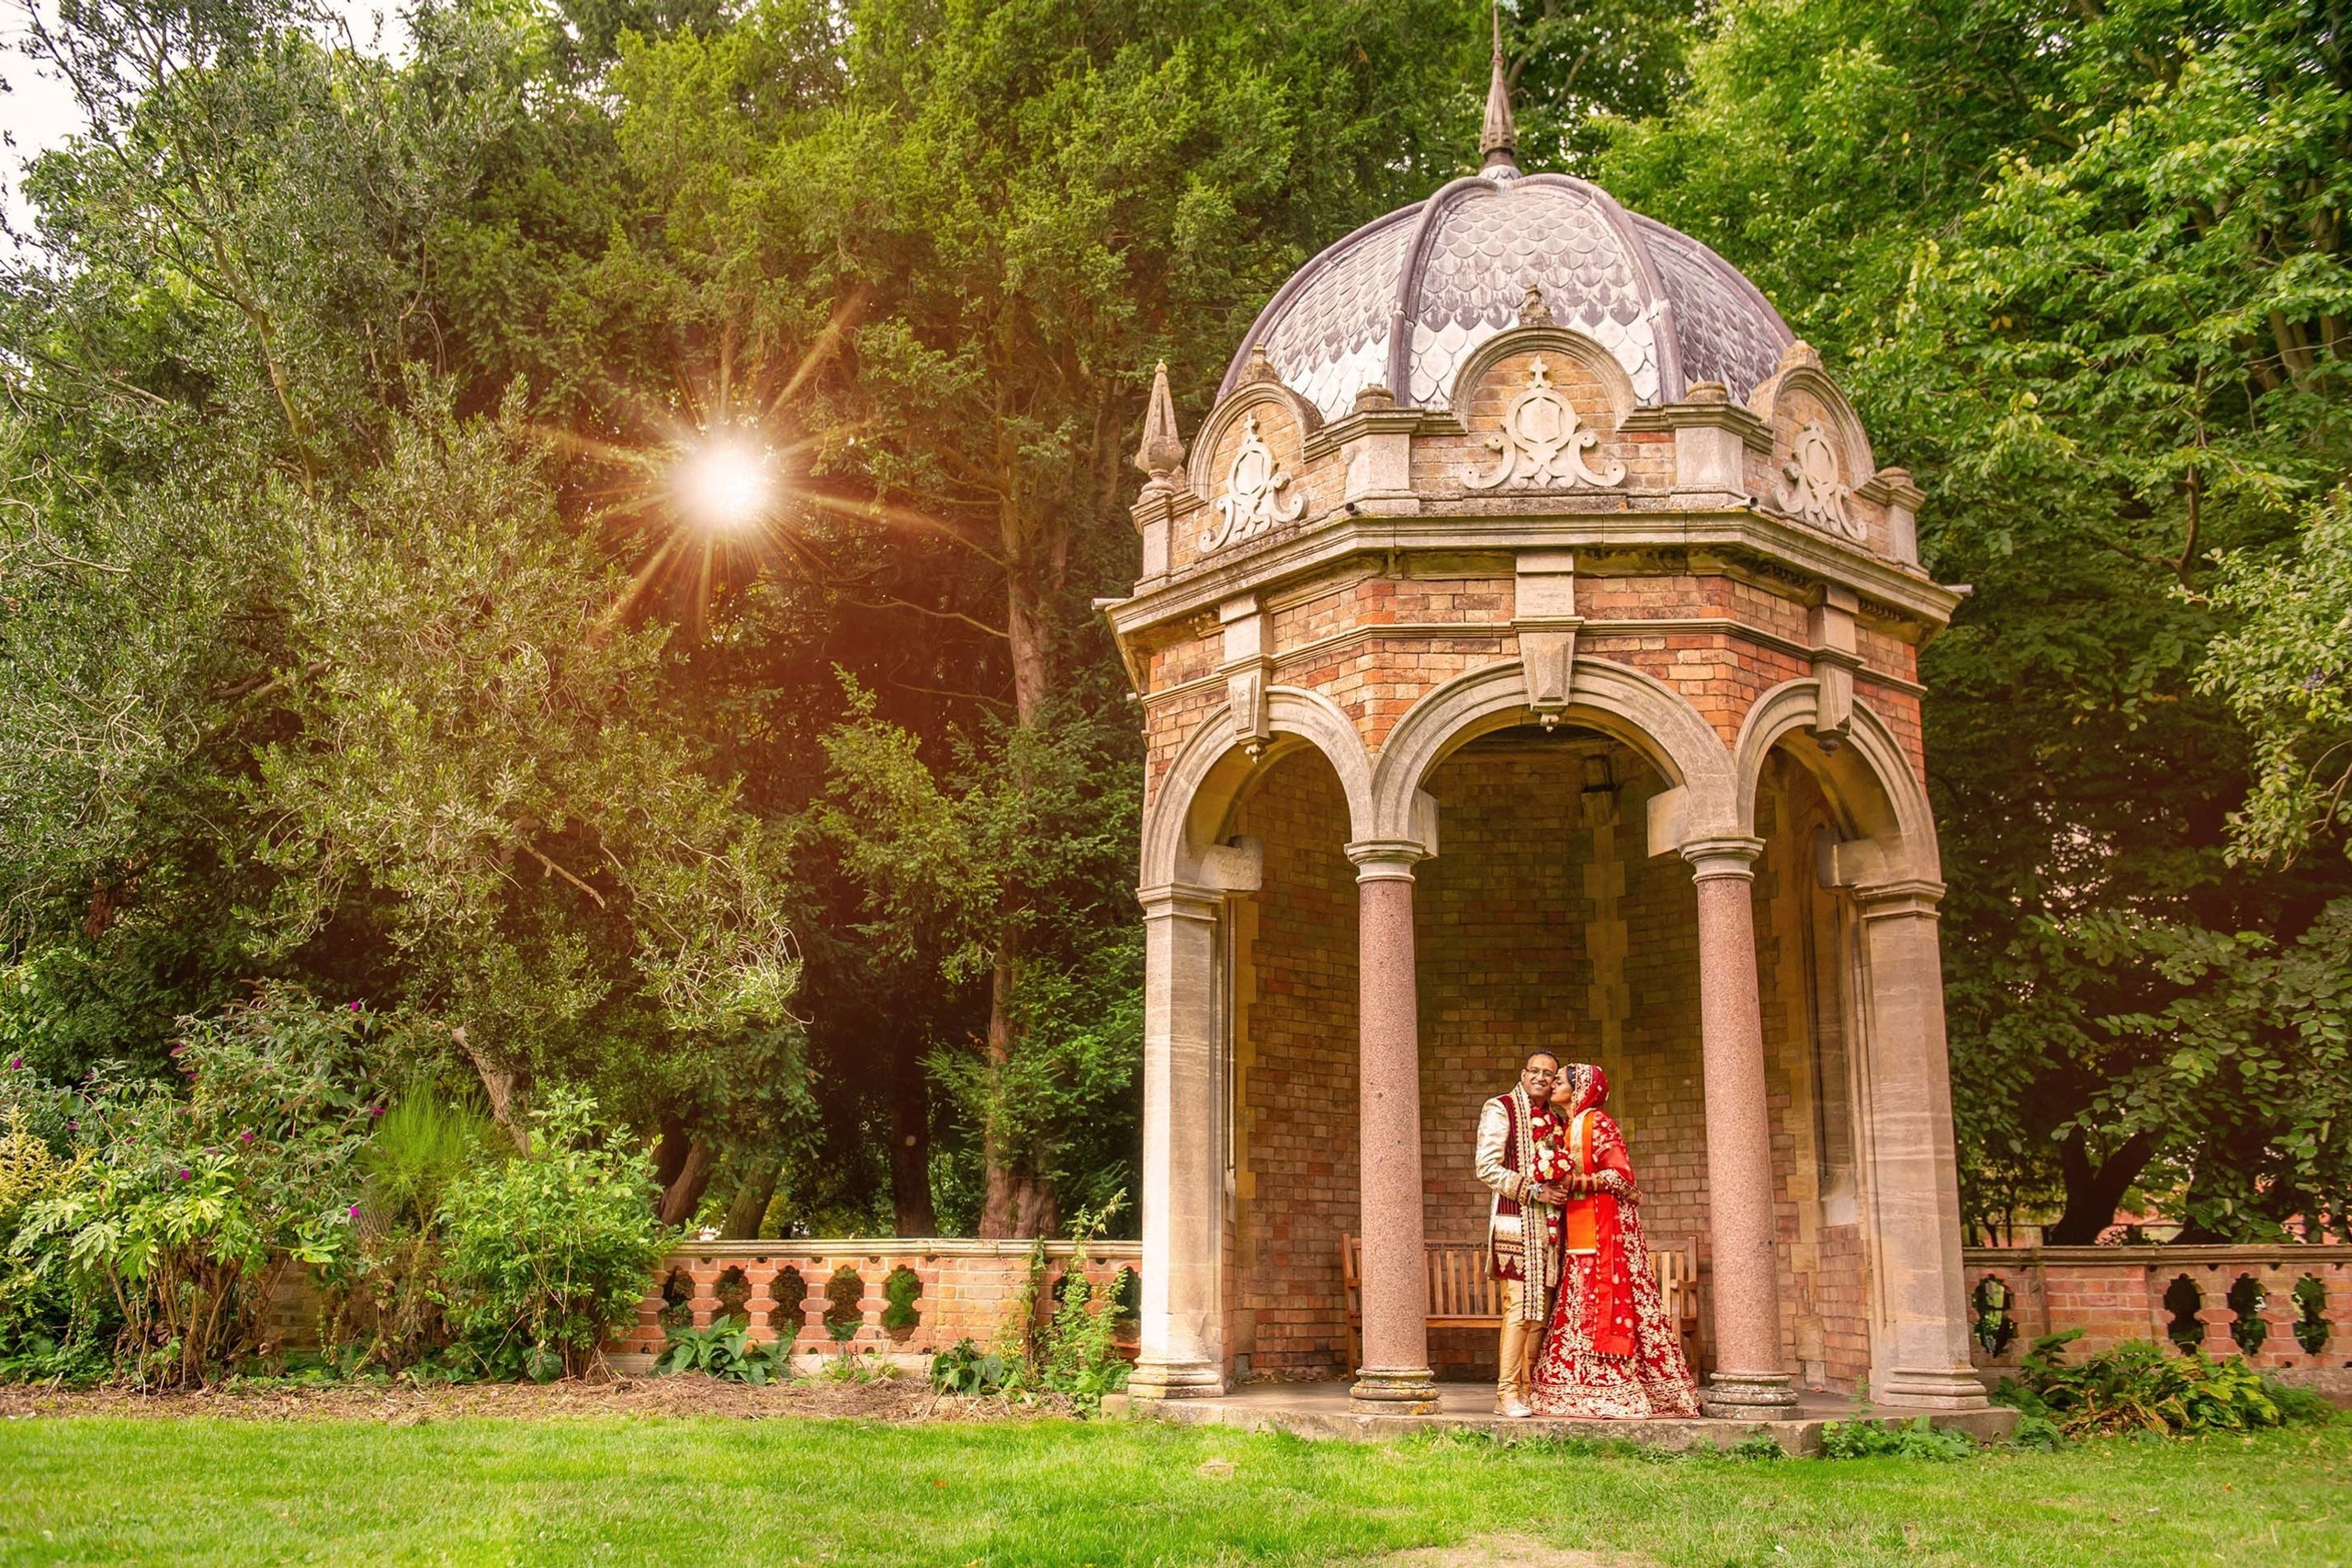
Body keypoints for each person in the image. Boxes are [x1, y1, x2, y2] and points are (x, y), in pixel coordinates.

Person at [1527, 1063, 1701, 1418]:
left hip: (1604, 1227)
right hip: (1579, 1227)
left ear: (1581, 1089)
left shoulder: (1598, 1122)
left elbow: (1622, 1178)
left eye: (1560, 1081)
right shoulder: (1566, 1126)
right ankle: (1574, 1384)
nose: (1553, 1085)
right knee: (1578, 1295)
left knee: (1599, 1296)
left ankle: (1614, 1384)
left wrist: (1574, 1182)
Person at [1474, 1050, 1572, 1417]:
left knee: (1540, 1313)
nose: (1542, 1078)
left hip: (1550, 1226)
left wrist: (1561, 1184)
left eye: (1550, 1074)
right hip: (1514, 1223)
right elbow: (1486, 1167)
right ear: (1523, 1073)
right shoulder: (1500, 1108)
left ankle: (1530, 1392)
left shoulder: (1557, 1117)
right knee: (1519, 1308)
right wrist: (1534, 1190)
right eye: (1535, 1071)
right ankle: (1506, 1394)